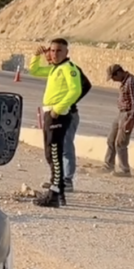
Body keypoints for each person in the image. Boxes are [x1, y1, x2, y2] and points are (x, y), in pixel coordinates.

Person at [26, 38, 83, 207]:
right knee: (51, 154)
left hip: (58, 114)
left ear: (66, 53)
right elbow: (34, 71)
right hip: (50, 112)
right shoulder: (55, 69)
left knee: (55, 154)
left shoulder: (68, 68)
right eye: (52, 50)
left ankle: (54, 193)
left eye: (59, 51)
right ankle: (58, 193)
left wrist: (58, 108)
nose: (55, 54)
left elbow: (76, 89)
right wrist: (36, 56)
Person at [103, 64, 134, 177]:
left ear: (119, 73)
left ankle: (125, 170)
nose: (113, 80)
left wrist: (131, 119)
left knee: (121, 142)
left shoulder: (131, 82)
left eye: (113, 77)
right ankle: (108, 165)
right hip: (121, 113)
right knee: (111, 139)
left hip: (128, 113)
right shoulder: (124, 82)